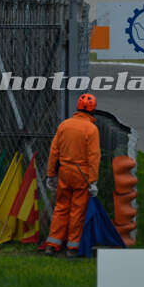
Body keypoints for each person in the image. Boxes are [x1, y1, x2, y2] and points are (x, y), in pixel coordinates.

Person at [45, 94, 100, 258]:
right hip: (82, 174)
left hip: (64, 172)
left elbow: (54, 151)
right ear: (93, 110)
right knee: (77, 210)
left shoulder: (64, 125)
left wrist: (51, 174)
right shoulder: (91, 129)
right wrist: (93, 181)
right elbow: (94, 156)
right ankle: (72, 247)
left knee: (61, 207)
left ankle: (52, 244)